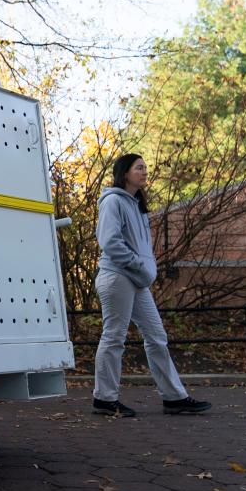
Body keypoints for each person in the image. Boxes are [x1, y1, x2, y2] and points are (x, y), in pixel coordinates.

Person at [92, 153, 211, 418]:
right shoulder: (113, 201)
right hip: (117, 276)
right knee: (114, 337)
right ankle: (104, 399)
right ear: (125, 173)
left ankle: (174, 398)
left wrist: (146, 268)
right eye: (139, 168)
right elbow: (109, 242)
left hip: (136, 279)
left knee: (157, 336)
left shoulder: (136, 205)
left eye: (146, 168)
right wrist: (138, 264)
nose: (145, 172)